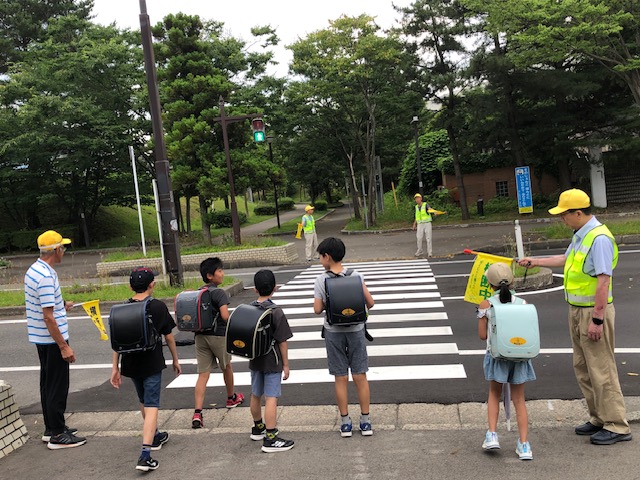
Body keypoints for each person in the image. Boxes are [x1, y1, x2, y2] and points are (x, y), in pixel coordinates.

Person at [519, 188, 632, 446]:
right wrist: (535, 261)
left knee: (601, 369)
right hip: (577, 309)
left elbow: (603, 281)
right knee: (583, 368)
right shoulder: (581, 235)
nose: (562, 219)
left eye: (564, 214)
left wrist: (597, 320)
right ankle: (599, 418)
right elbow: (566, 258)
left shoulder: (599, 238)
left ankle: (616, 425)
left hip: (593, 312)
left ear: (578, 213)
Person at [110, 267, 181, 472]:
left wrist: (115, 368)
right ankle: (145, 455)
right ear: (152, 285)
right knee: (152, 405)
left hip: (130, 363)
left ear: (130, 286)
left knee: (143, 400)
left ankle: (155, 435)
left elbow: (117, 343)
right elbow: (169, 337)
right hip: (151, 362)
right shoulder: (157, 306)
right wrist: (175, 360)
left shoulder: (122, 308)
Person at [24, 230, 86, 450]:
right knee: (57, 386)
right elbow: (48, 317)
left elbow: (45, 305)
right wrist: (64, 346)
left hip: (41, 338)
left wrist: (62, 304)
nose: (64, 251)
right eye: (63, 247)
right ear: (56, 250)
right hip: (51, 340)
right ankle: (58, 435)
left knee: (48, 384)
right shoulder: (45, 277)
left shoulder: (35, 269)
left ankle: (52, 428)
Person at [313, 237, 375, 437]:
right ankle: (365, 421)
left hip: (333, 332)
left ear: (327, 257)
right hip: (356, 330)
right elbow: (370, 303)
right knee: (360, 375)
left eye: (320, 256)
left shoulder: (321, 280)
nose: (320, 260)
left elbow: (317, 309)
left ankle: (346, 423)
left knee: (340, 377)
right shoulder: (356, 275)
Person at [477, 263, 535, 460]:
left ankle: (492, 434)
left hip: (497, 355)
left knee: (495, 393)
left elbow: (482, 335)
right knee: (519, 399)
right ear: (511, 281)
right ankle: (524, 445)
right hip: (520, 355)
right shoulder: (523, 303)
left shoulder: (486, 304)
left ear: (489, 283)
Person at [192, 257, 244, 429]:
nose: (222, 273)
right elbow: (225, 316)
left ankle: (197, 412)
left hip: (200, 337)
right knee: (226, 366)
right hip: (218, 336)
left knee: (203, 375)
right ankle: (231, 398)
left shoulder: (199, 292)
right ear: (210, 275)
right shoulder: (218, 293)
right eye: (219, 271)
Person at [248, 269, 295, 452]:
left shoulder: (249, 309)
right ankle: (271, 437)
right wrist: (286, 365)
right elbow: (282, 341)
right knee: (271, 397)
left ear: (255, 289)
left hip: (255, 360)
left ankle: (257, 427)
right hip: (272, 360)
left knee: (255, 394)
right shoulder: (276, 312)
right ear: (275, 288)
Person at [412, 193, 435, 257]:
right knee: (419, 238)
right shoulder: (416, 207)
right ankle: (420, 250)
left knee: (428, 238)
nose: (417, 199)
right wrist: (414, 224)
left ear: (421, 198)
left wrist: (434, 212)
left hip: (427, 223)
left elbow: (429, 209)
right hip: (420, 224)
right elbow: (417, 216)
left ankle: (429, 252)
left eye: (418, 198)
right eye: (416, 198)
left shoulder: (425, 204)